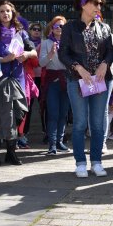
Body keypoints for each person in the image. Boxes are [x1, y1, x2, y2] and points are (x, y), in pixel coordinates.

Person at [58, 0, 113, 178]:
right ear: (83, 4)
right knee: (81, 123)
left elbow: (111, 50)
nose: (99, 6)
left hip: (100, 80)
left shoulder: (104, 27)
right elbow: (62, 53)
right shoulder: (70, 27)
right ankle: (80, 162)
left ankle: (97, 162)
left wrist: (105, 64)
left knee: (98, 124)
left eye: (101, 3)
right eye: (95, 3)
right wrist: (78, 68)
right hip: (77, 81)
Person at [0, 0, 37, 165]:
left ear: (13, 13)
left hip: (18, 78)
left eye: (8, 11)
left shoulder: (21, 32)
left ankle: (11, 152)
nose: (5, 14)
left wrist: (26, 56)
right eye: (2, 11)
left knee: (17, 115)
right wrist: (3, 59)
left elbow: (34, 51)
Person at [38, 15, 70, 155]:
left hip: (67, 80)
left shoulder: (69, 42)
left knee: (63, 113)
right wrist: (51, 53)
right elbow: (41, 63)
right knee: (53, 113)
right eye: (57, 26)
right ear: (52, 28)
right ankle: (51, 144)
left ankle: (59, 141)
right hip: (52, 81)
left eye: (62, 26)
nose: (59, 29)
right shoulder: (46, 43)